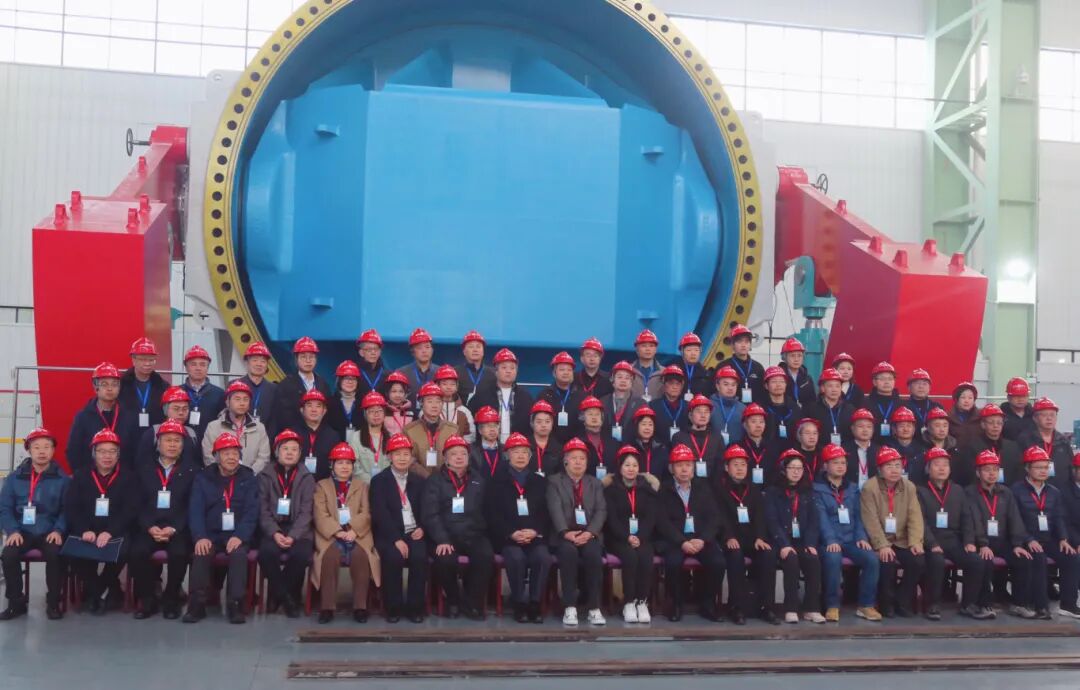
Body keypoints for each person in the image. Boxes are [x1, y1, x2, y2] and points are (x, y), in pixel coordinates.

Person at [183, 433, 258, 624]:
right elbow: (195, 510)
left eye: (235, 453)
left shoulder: (249, 477)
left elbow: (252, 511)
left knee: (239, 554)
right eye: (226, 453)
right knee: (201, 551)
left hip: (237, 534)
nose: (232, 457)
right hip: (210, 533)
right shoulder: (203, 478)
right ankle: (197, 604)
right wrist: (200, 536)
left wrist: (240, 536)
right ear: (216, 456)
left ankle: (235, 604)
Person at [66, 428, 138, 615]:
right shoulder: (80, 476)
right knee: (72, 552)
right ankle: (101, 591)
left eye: (112, 451)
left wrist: (110, 532)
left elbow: (129, 510)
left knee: (124, 550)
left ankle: (96, 592)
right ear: (94, 453)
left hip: (115, 530)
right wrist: (84, 530)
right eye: (102, 451)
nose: (107, 456)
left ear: (118, 454)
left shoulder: (128, 477)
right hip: (87, 529)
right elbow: (72, 507)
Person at [131, 420, 198, 620]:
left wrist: (175, 527)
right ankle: (148, 599)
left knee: (179, 553)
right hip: (149, 526)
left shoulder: (192, 471)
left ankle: (171, 599)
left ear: (183, 445)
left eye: (177, 441)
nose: (172, 445)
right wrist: (149, 526)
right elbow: (136, 503)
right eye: (168, 440)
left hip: (177, 528)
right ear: (158, 443)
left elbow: (192, 505)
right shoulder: (143, 468)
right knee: (137, 552)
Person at [422, 435, 493, 620]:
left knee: (485, 555)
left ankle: (473, 603)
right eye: (454, 454)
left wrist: (479, 533)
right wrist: (442, 539)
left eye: (463, 453)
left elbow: (487, 510)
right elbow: (430, 514)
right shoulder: (434, 481)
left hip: (473, 534)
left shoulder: (478, 480)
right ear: (445, 458)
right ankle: (452, 600)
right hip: (446, 535)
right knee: (445, 559)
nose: (459, 457)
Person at [0, 428, 69, 620]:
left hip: (49, 530)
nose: (42, 451)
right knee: (8, 555)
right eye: (36, 447)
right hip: (22, 531)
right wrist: (12, 530)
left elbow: (68, 509)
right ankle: (16, 603)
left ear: (53, 451)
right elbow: (4, 508)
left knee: (55, 555)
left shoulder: (63, 479)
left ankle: (53, 602)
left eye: (47, 447)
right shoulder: (14, 478)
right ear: (29, 450)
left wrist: (59, 530)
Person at [484, 433, 552, 623]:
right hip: (508, 538)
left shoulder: (540, 481)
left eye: (524, 452)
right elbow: (492, 514)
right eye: (516, 452)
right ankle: (519, 603)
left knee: (542, 557)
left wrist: (535, 531)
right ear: (507, 455)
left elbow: (546, 513)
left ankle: (535, 603)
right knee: (516, 558)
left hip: (534, 536)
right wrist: (511, 533)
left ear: (530, 456)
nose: (521, 456)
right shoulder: (495, 482)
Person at [656, 444, 727, 622]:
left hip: (700, 539)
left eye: (688, 465)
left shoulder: (704, 487)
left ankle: (707, 604)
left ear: (694, 468)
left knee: (718, 562)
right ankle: (676, 604)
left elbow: (715, 518)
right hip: (676, 540)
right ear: (671, 469)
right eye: (679, 465)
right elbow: (662, 522)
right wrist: (681, 542)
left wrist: (703, 539)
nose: (684, 469)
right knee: (673, 563)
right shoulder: (664, 490)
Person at [312, 442, 380, 624]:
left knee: (361, 556)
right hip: (331, 535)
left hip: (357, 534)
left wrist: (354, 530)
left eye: (348, 463)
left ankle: (360, 607)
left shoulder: (362, 486)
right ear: (332, 465)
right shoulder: (322, 486)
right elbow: (320, 514)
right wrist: (337, 532)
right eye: (340, 463)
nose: (344, 467)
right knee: (329, 556)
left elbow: (366, 512)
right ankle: (327, 607)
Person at [814, 444, 881, 622]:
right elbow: (821, 518)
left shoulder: (852, 488)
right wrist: (830, 540)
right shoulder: (817, 489)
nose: (840, 466)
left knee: (871, 559)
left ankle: (866, 605)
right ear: (825, 466)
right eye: (835, 462)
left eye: (843, 462)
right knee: (833, 559)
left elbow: (859, 515)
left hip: (851, 539)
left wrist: (861, 537)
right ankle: (832, 605)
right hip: (828, 540)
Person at [1010, 446, 1079, 619]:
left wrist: (1063, 539)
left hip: (1048, 539)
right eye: (1038, 467)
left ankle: (1068, 605)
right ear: (1027, 468)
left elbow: (1059, 517)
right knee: (1038, 558)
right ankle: (1041, 606)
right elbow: (1014, 520)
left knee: (1071, 557)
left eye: (1046, 467)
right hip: (1027, 540)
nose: (1043, 471)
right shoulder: (1016, 490)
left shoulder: (1054, 492)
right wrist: (1028, 539)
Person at [918, 447, 987, 620]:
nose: (942, 468)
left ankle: (968, 604)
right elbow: (920, 521)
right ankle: (932, 605)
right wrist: (931, 543)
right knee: (936, 561)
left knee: (976, 561)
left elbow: (967, 518)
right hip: (930, 540)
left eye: (945, 465)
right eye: (937, 464)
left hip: (953, 539)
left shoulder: (957, 490)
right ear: (928, 469)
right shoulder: (920, 491)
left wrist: (969, 541)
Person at [964, 449, 1034, 619]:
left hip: (1002, 541)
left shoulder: (1006, 492)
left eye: (995, 469)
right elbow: (973, 520)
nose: (992, 473)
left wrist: (1017, 544)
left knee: (1022, 558)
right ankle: (984, 604)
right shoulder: (970, 492)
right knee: (985, 560)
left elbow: (1014, 518)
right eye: (987, 470)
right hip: (981, 542)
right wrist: (982, 544)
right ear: (978, 472)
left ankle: (1019, 604)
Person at [714, 445, 779, 625]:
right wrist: (728, 536)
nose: (740, 468)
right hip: (730, 538)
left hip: (752, 538)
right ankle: (737, 607)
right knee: (735, 556)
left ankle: (766, 607)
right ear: (726, 467)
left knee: (768, 554)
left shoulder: (754, 488)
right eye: (735, 465)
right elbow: (719, 516)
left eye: (743, 464)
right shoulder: (718, 489)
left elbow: (760, 515)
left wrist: (760, 537)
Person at [547, 438, 607, 626]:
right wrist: (565, 532)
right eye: (573, 458)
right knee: (568, 554)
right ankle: (570, 607)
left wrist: (590, 533)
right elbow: (554, 508)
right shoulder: (554, 482)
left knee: (593, 555)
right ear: (565, 461)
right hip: (564, 535)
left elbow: (601, 510)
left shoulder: (594, 483)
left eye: (582, 458)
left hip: (588, 534)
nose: (578, 462)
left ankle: (594, 607)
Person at [256, 429, 316, 618]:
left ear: (300, 454)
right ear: (276, 452)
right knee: (266, 553)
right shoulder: (265, 476)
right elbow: (262, 509)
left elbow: (307, 512)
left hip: (299, 530)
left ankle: (278, 595)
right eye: (285, 449)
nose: (290, 453)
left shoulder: (307, 477)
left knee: (301, 554)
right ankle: (286, 597)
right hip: (273, 528)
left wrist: (293, 536)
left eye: (294, 449)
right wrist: (275, 532)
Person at [860, 447, 925, 618]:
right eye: (889, 466)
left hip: (902, 539)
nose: (895, 470)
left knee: (917, 561)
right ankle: (886, 603)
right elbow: (870, 519)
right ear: (879, 469)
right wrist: (881, 545)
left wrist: (915, 542)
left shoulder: (909, 486)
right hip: (880, 540)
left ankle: (902, 600)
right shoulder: (870, 488)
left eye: (898, 465)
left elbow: (915, 516)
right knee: (886, 561)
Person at [370, 434, 427, 623]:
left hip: (414, 532)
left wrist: (422, 527)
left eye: (406, 454)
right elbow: (380, 513)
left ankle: (415, 608)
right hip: (390, 534)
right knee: (393, 557)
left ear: (411, 457)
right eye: (397, 454)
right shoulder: (379, 481)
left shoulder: (419, 480)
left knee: (419, 557)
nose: (402, 458)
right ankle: (393, 608)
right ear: (389, 456)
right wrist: (396, 538)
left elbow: (427, 509)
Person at [764, 450, 825, 624]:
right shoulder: (772, 492)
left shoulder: (807, 492)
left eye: (800, 468)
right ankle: (790, 607)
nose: (796, 472)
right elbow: (772, 521)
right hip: (779, 541)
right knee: (791, 559)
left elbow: (814, 521)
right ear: (783, 470)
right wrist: (784, 544)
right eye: (792, 468)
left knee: (813, 558)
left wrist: (810, 543)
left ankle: (811, 608)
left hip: (801, 540)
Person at [603, 446, 658, 623]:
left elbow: (650, 517)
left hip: (642, 537)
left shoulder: (647, 489)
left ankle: (641, 601)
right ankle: (628, 602)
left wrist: (640, 537)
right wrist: (627, 537)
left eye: (635, 465)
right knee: (630, 556)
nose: (631, 469)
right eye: (627, 465)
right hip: (618, 538)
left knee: (645, 555)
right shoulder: (610, 490)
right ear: (619, 467)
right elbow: (611, 519)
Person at [67, 362, 139, 473]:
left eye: (114, 384)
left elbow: (136, 451)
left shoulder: (130, 417)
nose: (110, 388)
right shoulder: (83, 417)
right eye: (104, 384)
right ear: (95, 387)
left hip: (123, 478)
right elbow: (73, 452)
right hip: (91, 478)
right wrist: (83, 476)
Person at [201, 380, 272, 474]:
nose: (242, 403)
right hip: (220, 479)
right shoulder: (213, 427)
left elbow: (264, 457)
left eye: (246, 399)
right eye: (237, 399)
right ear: (227, 402)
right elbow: (208, 456)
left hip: (251, 478)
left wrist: (248, 475)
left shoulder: (259, 428)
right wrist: (222, 474)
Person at [272, 337, 333, 437]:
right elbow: (281, 417)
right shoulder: (285, 385)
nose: (308, 361)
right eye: (303, 357)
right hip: (293, 437)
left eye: (311, 357)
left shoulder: (323, 385)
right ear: (296, 360)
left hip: (319, 436)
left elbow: (328, 415)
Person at [471, 348, 533, 442]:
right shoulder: (482, 395)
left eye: (512, 368)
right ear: (496, 371)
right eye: (504, 368)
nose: (508, 371)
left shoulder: (526, 397)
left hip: (517, 446)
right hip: (490, 446)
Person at [134, 386, 200, 468]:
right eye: (176, 409)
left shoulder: (191, 433)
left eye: (185, 409)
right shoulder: (153, 432)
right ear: (165, 410)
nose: (181, 413)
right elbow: (141, 462)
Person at [957, 404, 1022, 487]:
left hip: (1008, 491)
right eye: (991, 422)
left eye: (999, 423)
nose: (995, 426)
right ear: (983, 424)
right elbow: (969, 475)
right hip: (980, 490)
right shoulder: (972, 447)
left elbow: (1018, 474)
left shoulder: (1012, 447)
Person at [404, 382, 459, 476]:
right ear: (421, 404)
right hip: (419, 480)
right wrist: (427, 477)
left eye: (438, 401)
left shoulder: (453, 429)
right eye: (430, 401)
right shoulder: (409, 430)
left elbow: (457, 457)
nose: (435, 405)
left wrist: (443, 478)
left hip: (446, 479)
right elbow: (408, 459)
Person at [289, 389, 343, 481]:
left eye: (318, 406)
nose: (314, 410)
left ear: (324, 411)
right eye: (309, 405)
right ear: (302, 410)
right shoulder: (292, 434)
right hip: (296, 482)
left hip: (324, 484)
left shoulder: (333, 436)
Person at [1017, 398, 1073, 484]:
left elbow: (1071, 468)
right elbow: (1018, 468)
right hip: (1034, 488)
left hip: (1061, 489)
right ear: (1035, 418)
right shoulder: (1025, 439)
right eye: (1044, 415)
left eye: (1052, 415)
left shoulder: (1063, 440)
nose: (1049, 418)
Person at [119, 336, 170, 430]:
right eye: (143, 359)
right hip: (126, 435)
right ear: (133, 359)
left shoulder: (163, 386)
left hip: (153, 435)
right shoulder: (121, 384)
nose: (147, 363)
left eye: (151, 360)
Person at [538, 351, 586, 444]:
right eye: (562, 370)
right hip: (551, 445)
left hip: (577, 446)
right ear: (554, 373)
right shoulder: (544, 396)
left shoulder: (582, 397)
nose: (566, 373)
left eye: (569, 370)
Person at [180, 345, 225, 442]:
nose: (198, 368)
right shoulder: (177, 392)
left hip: (210, 443)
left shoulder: (220, 394)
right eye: (193, 364)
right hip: (181, 443)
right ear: (186, 367)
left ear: (207, 367)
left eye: (202, 364)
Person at [803, 367, 854, 447]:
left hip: (844, 451)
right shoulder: (811, 409)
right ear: (822, 388)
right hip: (820, 450)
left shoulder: (850, 409)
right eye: (830, 386)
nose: (834, 390)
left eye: (837, 386)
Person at [736, 403, 782, 487]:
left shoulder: (773, 447)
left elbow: (776, 474)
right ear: (745, 425)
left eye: (761, 421)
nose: (758, 425)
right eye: (753, 421)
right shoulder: (737, 448)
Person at [718, 324, 764, 404]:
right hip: (731, 410)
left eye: (747, 341)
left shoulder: (758, 368)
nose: (743, 345)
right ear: (732, 345)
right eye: (739, 341)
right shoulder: (723, 367)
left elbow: (763, 393)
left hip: (755, 410)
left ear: (750, 345)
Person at [576, 396, 620, 481]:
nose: (594, 417)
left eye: (597, 414)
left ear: (602, 418)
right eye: (590, 414)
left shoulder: (613, 442)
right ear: (582, 418)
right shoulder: (578, 443)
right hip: (586, 485)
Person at [601, 361, 645, 444]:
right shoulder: (602, 402)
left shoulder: (641, 404)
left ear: (632, 382)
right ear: (612, 380)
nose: (623, 381)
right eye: (619, 377)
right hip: (607, 446)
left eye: (627, 378)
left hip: (632, 446)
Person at [236, 341, 278, 424]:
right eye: (255, 360)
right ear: (247, 362)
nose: (259, 364)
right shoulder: (234, 385)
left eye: (263, 361)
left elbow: (276, 419)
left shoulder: (274, 389)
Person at [354, 391, 391, 484]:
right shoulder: (356, 437)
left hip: (386, 484)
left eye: (379, 410)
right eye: (371, 411)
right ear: (365, 414)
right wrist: (373, 482)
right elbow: (354, 466)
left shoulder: (391, 438)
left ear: (384, 414)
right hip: (363, 485)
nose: (376, 414)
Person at [1060, 452, 1080, 617]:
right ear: (1074, 470)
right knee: (1073, 558)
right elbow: (1065, 521)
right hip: (1071, 537)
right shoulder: (1063, 492)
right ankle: (1068, 604)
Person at [885, 407, 928, 483]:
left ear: (914, 429)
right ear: (894, 429)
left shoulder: (922, 451)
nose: (905, 429)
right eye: (902, 426)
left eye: (909, 426)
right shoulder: (887, 450)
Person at [397, 327, 440, 404]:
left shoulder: (440, 372)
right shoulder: (401, 373)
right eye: (419, 348)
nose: (424, 351)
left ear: (432, 350)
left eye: (427, 347)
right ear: (412, 351)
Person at [434, 365, 475, 442]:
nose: (448, 387)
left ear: (457, 386)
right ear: (437, 385)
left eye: (452, 384)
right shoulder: (430, 409)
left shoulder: (464, 411)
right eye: (444, 384)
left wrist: (459, 445)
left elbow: (471, 435)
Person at [649, 365, 690, 442]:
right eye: (671, 383)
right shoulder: (653, 406)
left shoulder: (688, 406)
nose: (675, 387)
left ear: (682, 386)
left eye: (678, 384)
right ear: (664, 384)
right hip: (659, 446)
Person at [455, 330, 495, 409]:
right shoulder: (455, 372)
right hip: (462, 415)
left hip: (487, 415)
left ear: (483, 352)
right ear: (464, 352)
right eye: (471, 347)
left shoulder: (493, 374)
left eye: (478, 346)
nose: (475, 350)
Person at [842, 408, 881, 489]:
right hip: (849, 492)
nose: (865, 430)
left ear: (873, 430)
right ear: (852, 428)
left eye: (869, 427)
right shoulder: (843, 450)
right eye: (860, 426)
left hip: (874, 492)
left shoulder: (880, 451)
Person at [631, 407, 670, 485]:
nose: (647, 428)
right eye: (644, 424)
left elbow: (666, 476)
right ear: (637, 426)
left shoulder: (662, 449)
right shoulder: (630, 449)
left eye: (650, 424)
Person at [326, 360, 363, 443]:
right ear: (339, 380)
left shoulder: (363, 403)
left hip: (359, 446)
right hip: (335, 445)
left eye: (354, 379)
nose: (350, 382)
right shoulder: (329, 403)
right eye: (346, 378)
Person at [762, 366, 799, 446]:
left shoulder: (794, 407)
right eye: (774, 382)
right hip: (767, 449)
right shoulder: (760, 407)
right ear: (766, 386)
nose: (778, 385)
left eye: (782, 381)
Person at [865, 361, 901, 442]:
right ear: (874, 382)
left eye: (890, 379)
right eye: (882, 379)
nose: (887, 382)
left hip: (896, 445)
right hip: (872, 444)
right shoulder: (865, 404)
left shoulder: (902, 405)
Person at [710, 366, 746, 445]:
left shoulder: (743, 409)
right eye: (726, 384)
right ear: (717, 386)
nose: (730, 388)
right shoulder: (708, 406)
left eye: (733, 385)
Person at [921, 407, 962, 474]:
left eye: (945, 426)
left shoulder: (955, 449)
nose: (942, 429)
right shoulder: (920, 448)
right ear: (928, 427)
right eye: (937, 426)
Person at [902, 368, 943, 433]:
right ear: (909, 387)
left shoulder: (937, 407)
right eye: (917, 383)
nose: (921, 386)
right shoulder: (902, 407)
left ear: (929, 388)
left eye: (924, 384)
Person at [674, 332, 713, 398]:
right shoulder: (673, 372)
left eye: (696, 350)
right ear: (682, 351)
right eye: (689, 350)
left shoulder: (705, 375)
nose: (693, 353)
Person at [470, 406, 505, 478]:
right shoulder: (470, 450)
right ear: (480, 430)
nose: (492, 429)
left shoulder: (506, 449)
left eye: (495, 426)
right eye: (488, 426)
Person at [529, 400, 562, 476]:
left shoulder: (558, 449)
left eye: (547, 421)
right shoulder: (525, 446)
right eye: (539, 422)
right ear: (532, 423)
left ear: (552, 423)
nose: (543, 425)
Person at [354, 329, 390, 398]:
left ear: (380, 352)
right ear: (361, 353)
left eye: (376, 349)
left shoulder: (388, 374)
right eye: (369, 349)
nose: (373, 353)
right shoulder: (354, 373)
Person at [778, 337, 814, 406]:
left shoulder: (808, 379)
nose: (796, 359)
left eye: (799, 356)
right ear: (784, 357)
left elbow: (812, 401)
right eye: (792, 356)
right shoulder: (778, 377)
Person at [631, 329, 663, 402]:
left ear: (656, 349)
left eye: (651, 346)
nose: (648, 349)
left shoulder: (664, 372)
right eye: (644, 346)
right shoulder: (628, 370)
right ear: (637, 349)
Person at [1002, 377, 1036, 442]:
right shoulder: (1001, 415)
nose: (1020, 399)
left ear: (1028, 396)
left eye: (1024, 396)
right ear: (1008, 397)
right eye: (1016, 396)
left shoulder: (1034, 414)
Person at [948, 381, 981, 446]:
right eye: (963, 397)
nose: (966, 401)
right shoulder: (948, 417)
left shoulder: (981, 417)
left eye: (970, 398)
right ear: (956, 399)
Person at [382, 371, 414, 435]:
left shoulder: (412, 413)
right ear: (387, 393)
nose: (397, 395)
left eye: (401, 391)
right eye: (394, 391)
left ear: (406, 394)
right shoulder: (382, 412)